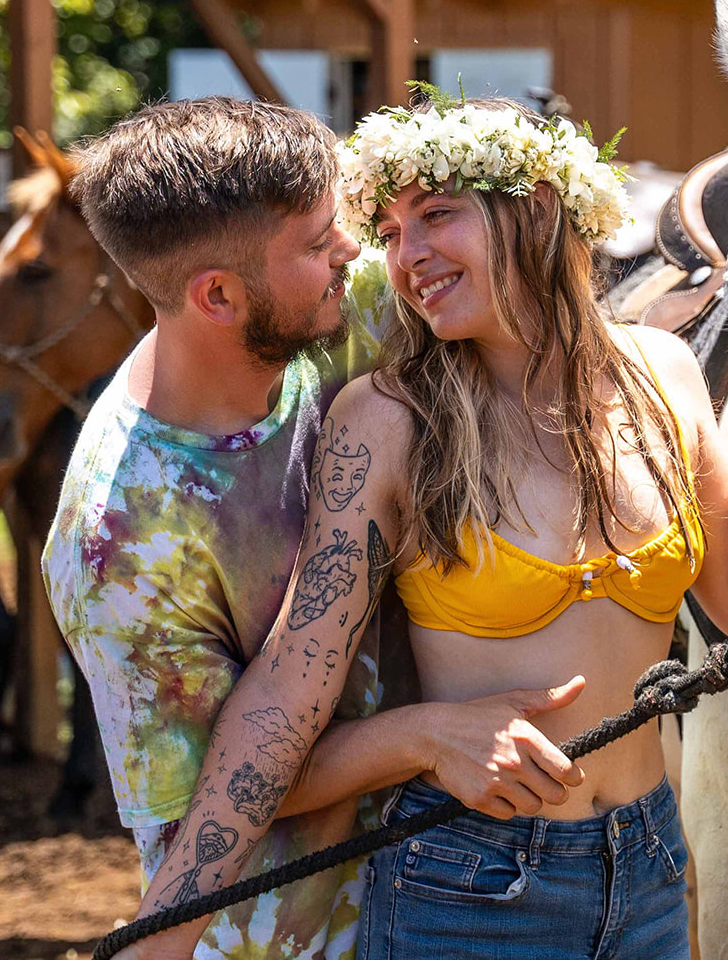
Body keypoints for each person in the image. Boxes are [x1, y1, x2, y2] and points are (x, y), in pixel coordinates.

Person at [120, 94, 728, 960]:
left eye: (437, 216)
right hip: (468, 885)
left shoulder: (665, 374)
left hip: (649, 871)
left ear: (534, 206)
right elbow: (283, 694)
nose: (407, 258)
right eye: (388, 231)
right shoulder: (387, 423)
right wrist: (167, 925)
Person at [46, 97, 593, 960]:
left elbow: (534, 314)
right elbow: (216, 793)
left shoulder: (343, 312)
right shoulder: (121, 543)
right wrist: (423, 733)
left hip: (464, 891)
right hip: (288, 935)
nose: (356, 251)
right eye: (316, 242)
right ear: (218, 295)